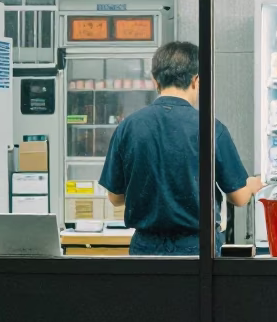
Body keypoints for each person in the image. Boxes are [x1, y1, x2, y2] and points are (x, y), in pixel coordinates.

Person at [99, 41, 262, 255]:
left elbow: (115, 198)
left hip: (145, 248)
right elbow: (239, 198)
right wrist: (252, 184)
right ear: (197, 81)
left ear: (155, 81)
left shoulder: (128, 126)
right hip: (197, 247)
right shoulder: (211, 127)